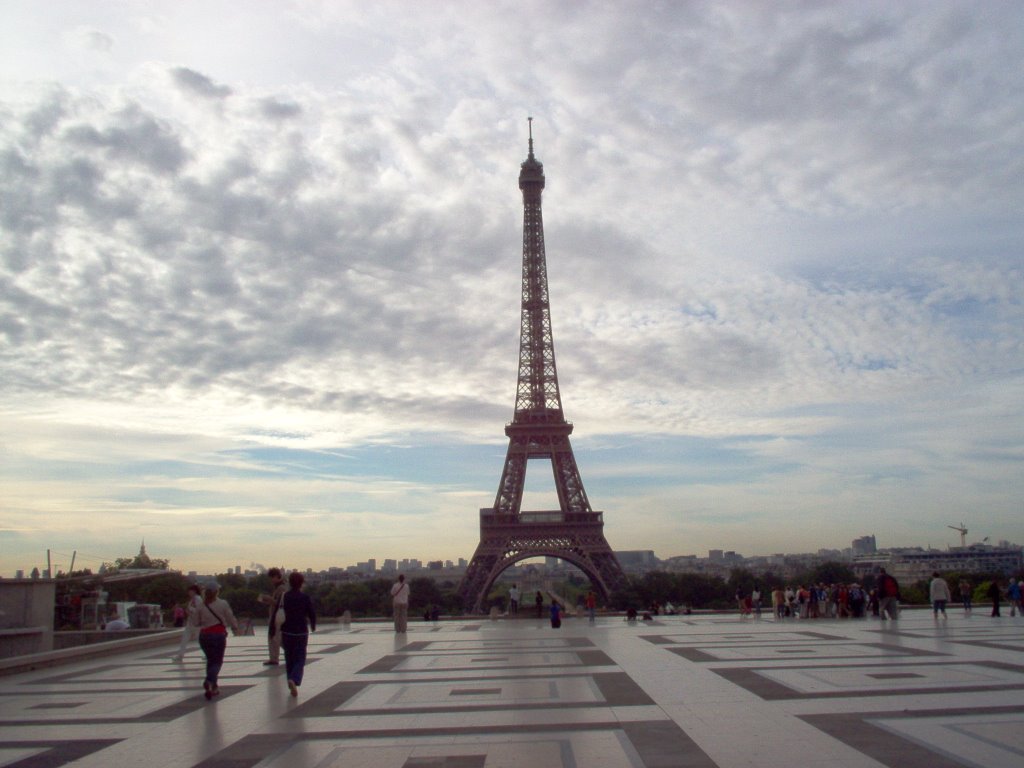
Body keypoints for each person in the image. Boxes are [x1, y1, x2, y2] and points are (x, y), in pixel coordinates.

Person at [196, 582, 239, 700]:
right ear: (216, 592)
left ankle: (213, 687)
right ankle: (209, 680)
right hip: (218, 635)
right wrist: (235, 627)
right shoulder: (223, 603)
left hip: (204, 636)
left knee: (210, 660)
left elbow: (195, 622)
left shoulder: (201, 605)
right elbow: (230, 617)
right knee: (217, 662)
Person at [280, 571, 316, 697]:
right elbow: (311, 613)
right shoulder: (305, 597)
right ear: (301, 583)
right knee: (300, 658)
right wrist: (313, 625)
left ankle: (290, 678)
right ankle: (294, 679)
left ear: (289, 583)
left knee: (289, 657)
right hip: (300, 631)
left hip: (286, 630)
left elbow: (278, 612)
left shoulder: (285, 597)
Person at [257, 568, 286, 666]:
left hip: (276, 616)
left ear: (276, 576)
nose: (271, 580)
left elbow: (278, 603)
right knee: (278, 638)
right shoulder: (279, 587)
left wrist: (268, 598)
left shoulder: (281, 588)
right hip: (277, 615)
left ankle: (274, 658)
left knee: (273, 636)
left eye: (271, 578)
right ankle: (288, 653)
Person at [171, 584, 203, 662]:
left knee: (199, 639)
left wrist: (190, 611)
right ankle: (180, 656)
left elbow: (198, 610)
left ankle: (207, 654)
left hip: (195, 623)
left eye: (190, 591)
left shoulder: (197, 599)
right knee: (185, 639)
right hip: (191, 623)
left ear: (194, 591)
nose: (189, 593)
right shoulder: (193, 600)